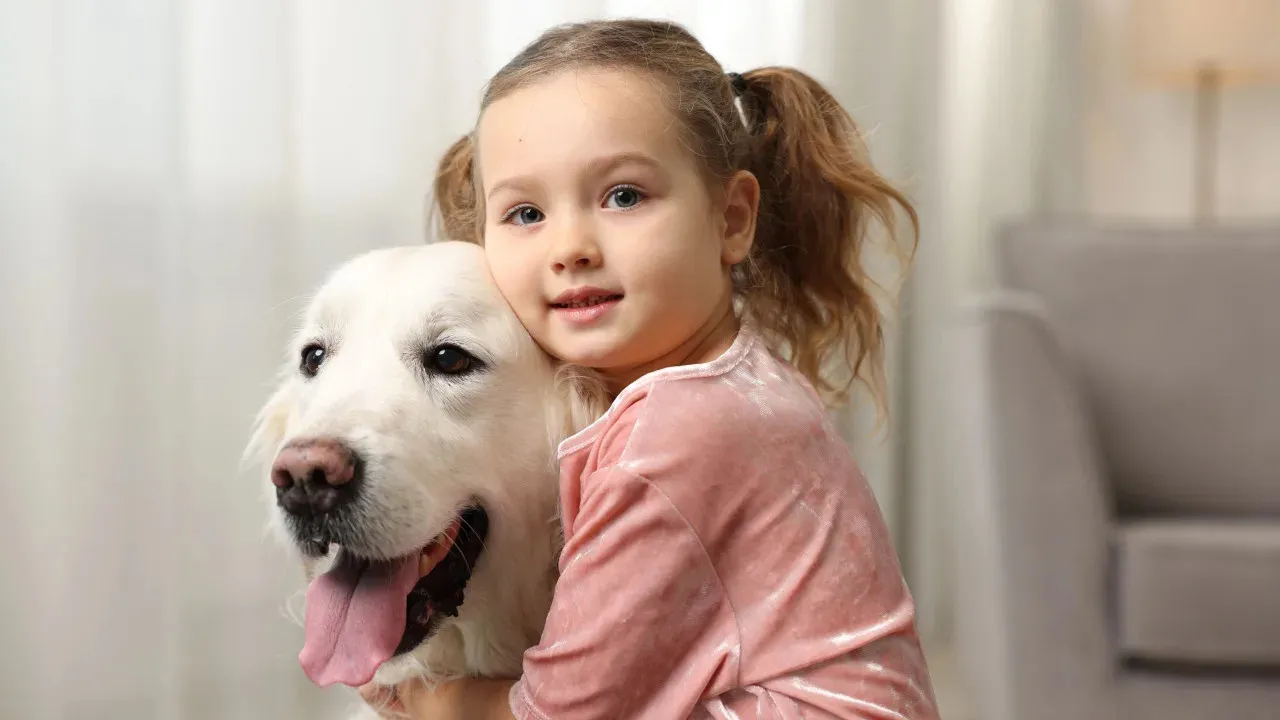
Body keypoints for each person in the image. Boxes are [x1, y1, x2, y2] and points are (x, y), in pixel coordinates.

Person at [369, 17, 939, 719]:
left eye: (623, 196)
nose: (570, 245)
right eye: (525, 213)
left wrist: (428, 698)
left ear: (731, 219)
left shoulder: (673, 438)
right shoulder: (732, 380)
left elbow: (563, 715)